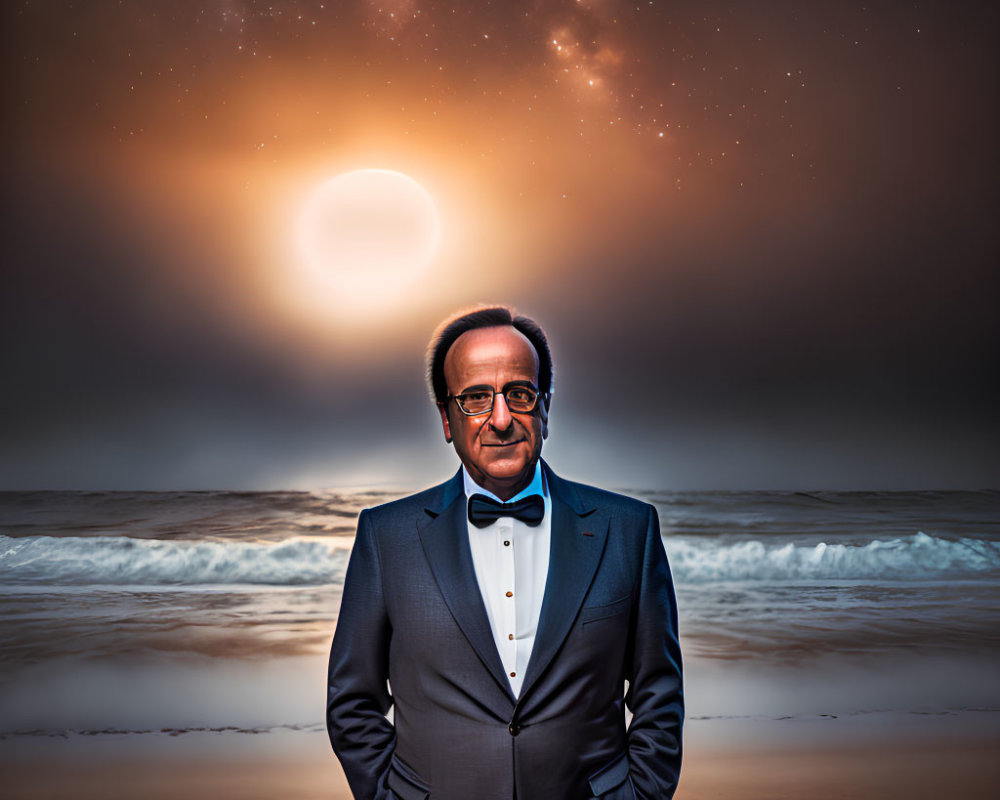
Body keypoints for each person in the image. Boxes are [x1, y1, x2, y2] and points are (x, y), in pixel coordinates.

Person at [326, 306, 683, 800]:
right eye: (475, 398)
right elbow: (352, 704)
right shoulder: (386, 538)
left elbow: (659, 695)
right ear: (447, 419)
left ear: (545, 408)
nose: (499, 419)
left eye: (519, 394)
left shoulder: (629, 530)